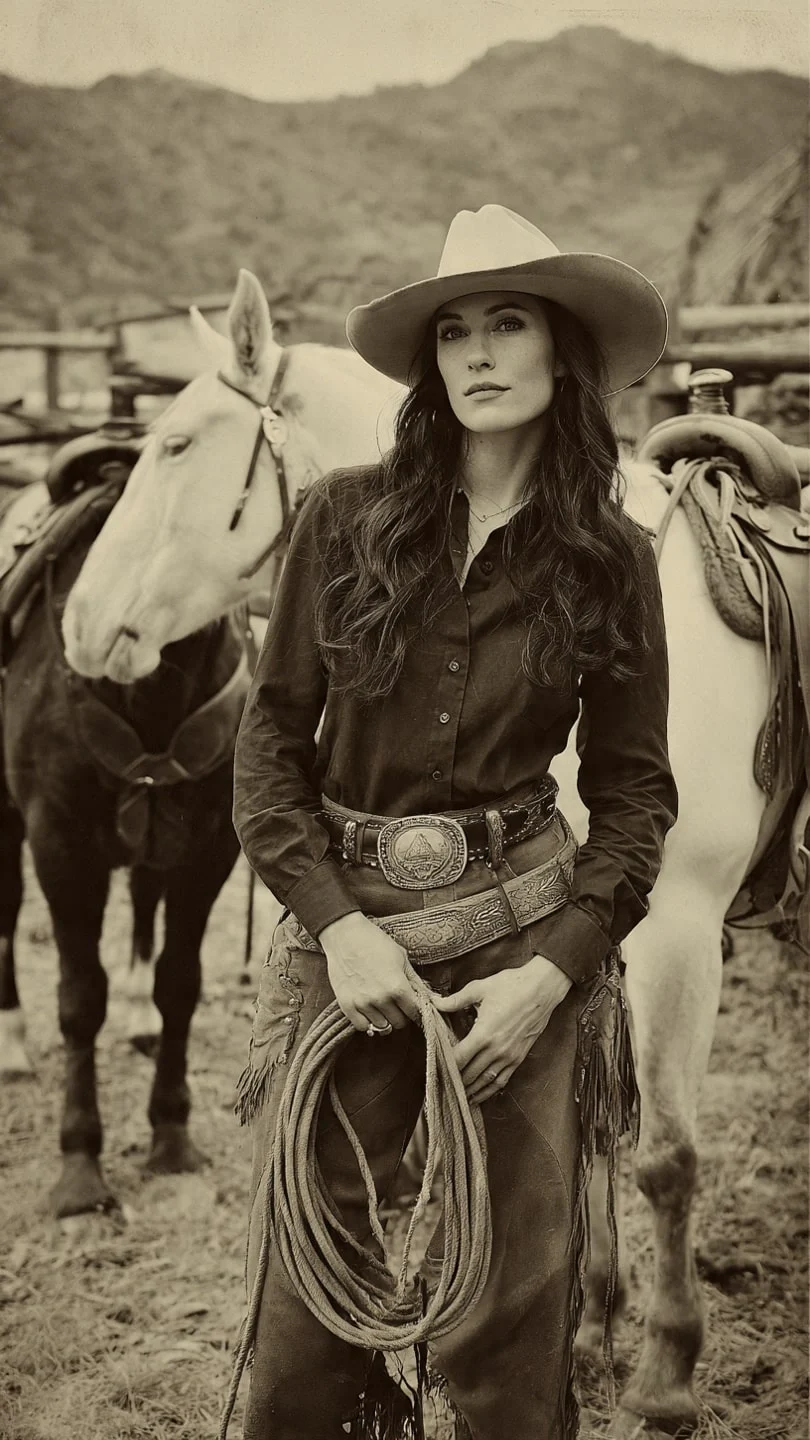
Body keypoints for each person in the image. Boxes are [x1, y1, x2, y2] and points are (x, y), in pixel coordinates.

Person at [231, 203, 678, 1440]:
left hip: (522, 938)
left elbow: (637, 795)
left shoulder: (610, 557)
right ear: (429, 364)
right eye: (455, 332)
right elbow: (270, 749)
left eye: (508, 323)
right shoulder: (342, 517)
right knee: (306, 1310)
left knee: (511, 1313)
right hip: (355, 933)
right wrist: (337, 929)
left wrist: (554, 975)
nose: (478, 353)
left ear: (561, 352)